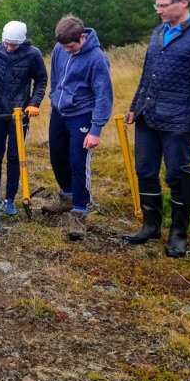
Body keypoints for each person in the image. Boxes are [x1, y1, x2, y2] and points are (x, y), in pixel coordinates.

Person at [123, 0, 190, 257]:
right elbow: (146, 75)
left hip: (180, 119)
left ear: (184, 2)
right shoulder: (158, 32)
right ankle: (150, 225)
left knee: (177, 177)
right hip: (148, 116)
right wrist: (135, 106)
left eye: (164, 5)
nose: (159, 11)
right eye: (157, 5)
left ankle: (178, 234)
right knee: (145, 171)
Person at [47, 16, 113, 241]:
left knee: (78, 161)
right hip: (59, 113)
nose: (67, 50)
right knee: (56, 156)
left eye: (71, 46)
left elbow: (104, 95)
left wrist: (96, 129)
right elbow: (55, 77)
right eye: (64, 47)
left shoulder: (97, 59)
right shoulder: (59, 49)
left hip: (82, 116)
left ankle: (80, 212)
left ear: (82, 37)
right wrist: (53, 100)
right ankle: (66, 196)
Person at [0, 21, 48, 215]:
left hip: (19, 115)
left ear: (22, 42)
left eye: (14, 45)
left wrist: (34, 103)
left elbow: (41, 80)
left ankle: (10, 199)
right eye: (7, 44)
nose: (10, 48)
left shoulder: (33, 54)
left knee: (14, 156)